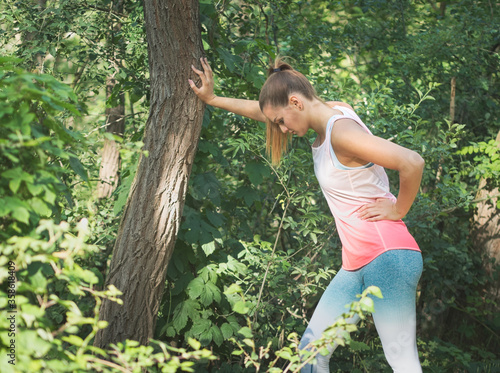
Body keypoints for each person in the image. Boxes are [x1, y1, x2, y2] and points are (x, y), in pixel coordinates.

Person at [189, 57, 424, 373]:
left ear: (296, 102)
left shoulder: (341, 133)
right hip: (356, 263)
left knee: (402, 360)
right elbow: (267, 111)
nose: (282, 129)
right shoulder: (330, 111)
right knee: (310, 355)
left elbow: (412, 161)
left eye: (282, 121)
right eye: (277, 124)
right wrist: (214, 99)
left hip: (387, 256)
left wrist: (398, 209)